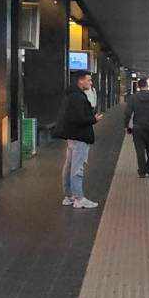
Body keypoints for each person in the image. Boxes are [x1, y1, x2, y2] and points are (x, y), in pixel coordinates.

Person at [55, 70, 103, 209]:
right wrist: (94, 119)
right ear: (80, 81)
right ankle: (79, 198)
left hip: (73, 136)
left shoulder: (71, 95)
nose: (91, 82)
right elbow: (79, 118)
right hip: (80, 136)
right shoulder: (78, 97)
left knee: (69, 166)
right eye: (89, 80)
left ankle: (69, 196)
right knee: (77, 168)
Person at [124, 78, 149, 178]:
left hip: (138, 127)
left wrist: (126, 126)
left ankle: (142, 171)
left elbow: (128, 113)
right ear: (147, 85)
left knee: (140, 150)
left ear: (138, 86)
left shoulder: (133, 98)